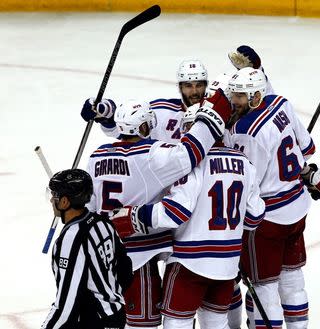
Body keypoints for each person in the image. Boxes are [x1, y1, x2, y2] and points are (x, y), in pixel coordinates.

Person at [86, 90, 232, 329]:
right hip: (140, 254)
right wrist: (212, 115)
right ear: (143, 127)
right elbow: (189, 153)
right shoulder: (150, 155)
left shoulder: (97, 155)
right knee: (143, 324)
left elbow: (90, 205)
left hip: (105, 251)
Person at [110, 109, 266, 329]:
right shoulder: (245, 164)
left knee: (177, 324)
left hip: (189, 262)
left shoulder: (192, 164)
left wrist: (135, 216)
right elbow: (255, 217)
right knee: (216, 325)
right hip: (227, 265)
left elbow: (176, 212)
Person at [226, 67, 320, 329]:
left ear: (255, 97)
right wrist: (310, 176)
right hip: (297, 209)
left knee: (264, 289)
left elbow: (245, 184)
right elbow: (307, 149)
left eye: (240, 96)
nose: (234, 101)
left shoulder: (244, 131)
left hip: (267, 221)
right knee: (293, 280)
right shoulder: (281, 103)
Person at [41, 169, 133, 329]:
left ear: (64, 202)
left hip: (93, 322)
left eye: (54, 195)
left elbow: (66, 305)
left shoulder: (72, 238)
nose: (51, 200)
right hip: (115, 315)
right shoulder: (103, 223)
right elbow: (126, 270)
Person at [80, 59, 209, 143]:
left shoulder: (218, 112)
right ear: (180, 87)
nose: (194, 92)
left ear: (206, 85)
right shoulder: (159, 111)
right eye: (188, 86)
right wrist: (106, 115)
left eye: (199, 85)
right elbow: (123, 131)